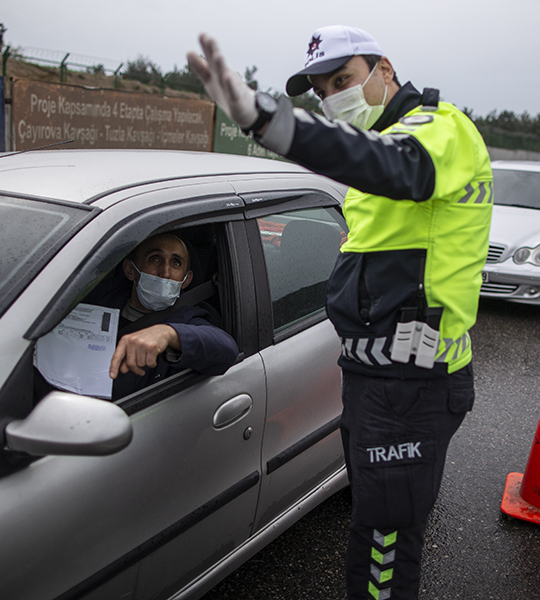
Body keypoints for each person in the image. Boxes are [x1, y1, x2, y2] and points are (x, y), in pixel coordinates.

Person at [188, 25, 493, 600]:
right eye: (322, 90)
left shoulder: (437, 129)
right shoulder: (381, 147)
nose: (333, 97)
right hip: (373, 378)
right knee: (372, 527)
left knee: (384, 545)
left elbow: (392, 164)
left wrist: (269, 119)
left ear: (384, 68)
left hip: (413, 382)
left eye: (343, 79)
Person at [97, 232, 239, 399]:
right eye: (155, 259)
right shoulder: (101, 297)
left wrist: (168, 334)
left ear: (186, 280)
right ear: (130, 270)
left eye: (176, 263)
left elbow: (227, 349)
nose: (165, 272)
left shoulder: (188, 319)